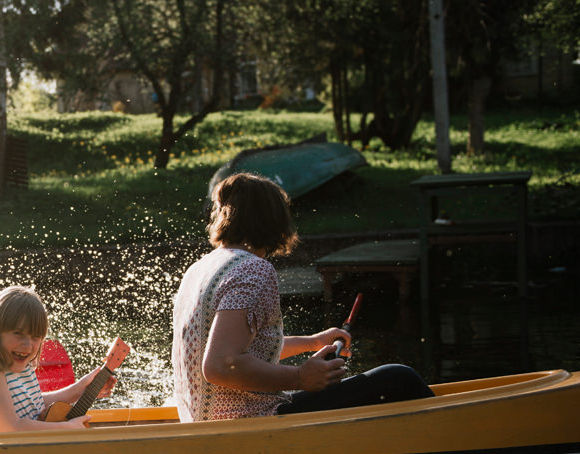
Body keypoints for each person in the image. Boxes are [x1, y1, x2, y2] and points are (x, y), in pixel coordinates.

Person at [172, 172, 432, 421]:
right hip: (251, 421)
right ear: (274, 221)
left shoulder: (200, 270)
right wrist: (300, 377)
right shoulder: (252, 268)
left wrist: (312, 341)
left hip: (207, 419)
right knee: (399, 379)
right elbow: (219, 365)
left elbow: (239, 348)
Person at [0, 285, 114, 433]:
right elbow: (11, 427)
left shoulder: (23, 368)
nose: (27, 345)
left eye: (36, 337)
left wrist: (80, 389)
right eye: (18, 333)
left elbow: (35, 405)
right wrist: (66, 427)